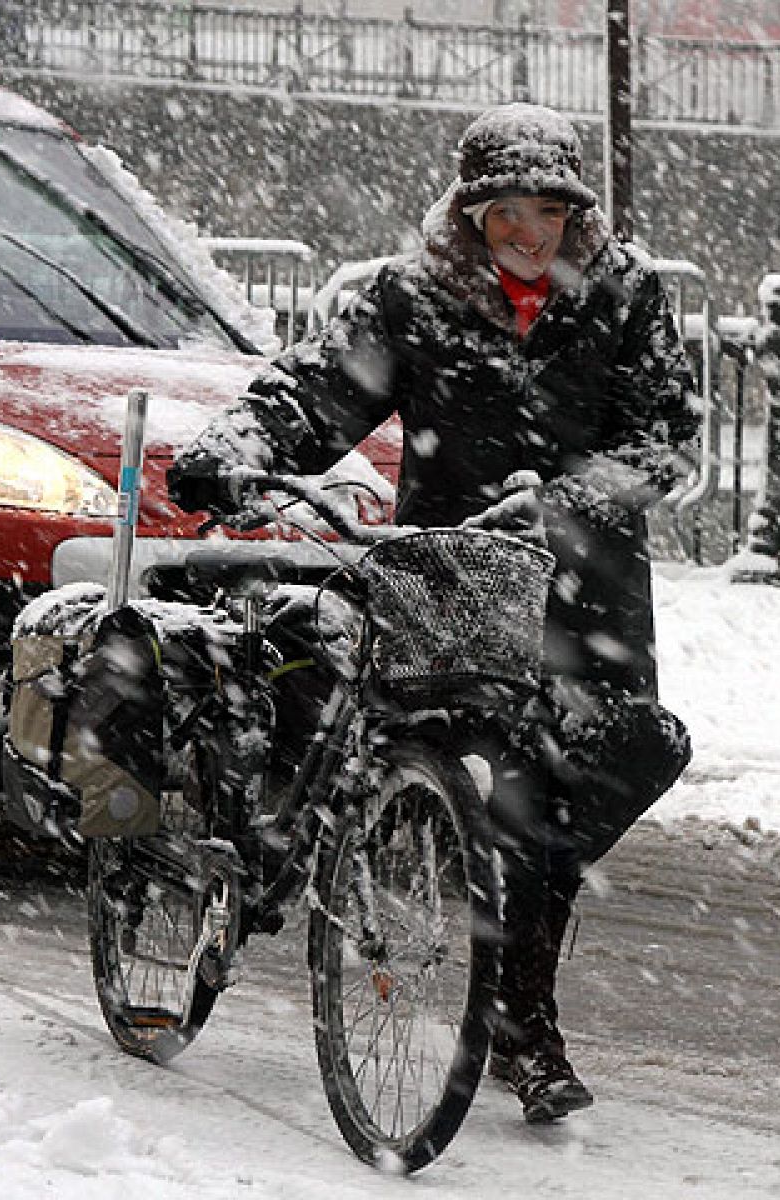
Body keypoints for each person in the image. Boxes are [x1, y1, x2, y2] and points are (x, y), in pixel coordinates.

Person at [168, 102, 700, 1124]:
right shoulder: (409, 296)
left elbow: (666, 437)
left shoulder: (626, 295)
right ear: (469, 213)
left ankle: (515, 994)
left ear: (576, 212)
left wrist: (566, 500)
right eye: (507, 213)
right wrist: (237, 444)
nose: (529, 234)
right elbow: (316, 392)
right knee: (464, 768)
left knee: (602, 766)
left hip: (588, 588)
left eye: (549, 211)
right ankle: (519, 1015)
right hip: (448, 572)